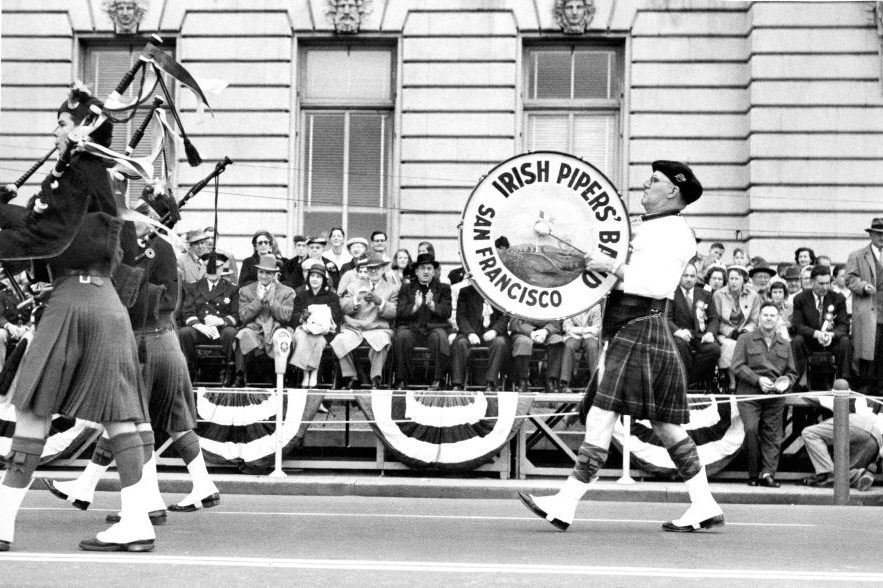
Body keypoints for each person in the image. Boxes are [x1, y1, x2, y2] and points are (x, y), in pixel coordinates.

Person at [518, 160, 724, 533]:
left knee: (602, 413)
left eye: (655, 181)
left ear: (673, 192)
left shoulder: (675, 233)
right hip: (633, 327)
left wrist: (610, 265)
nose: (646, 185)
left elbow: (655, 284)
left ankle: (565, 504)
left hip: (639, 325)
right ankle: (704, 504)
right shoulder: (658, 228)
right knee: (664, 424)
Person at [0, 86, 154, 552]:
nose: (54, 130)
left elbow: (41, 238)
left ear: (84, 128)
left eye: (62, 123)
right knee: (118, 416)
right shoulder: (95, 181)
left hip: (70, 303)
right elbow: (47, 224)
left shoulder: (73, 177)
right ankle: (137, 521)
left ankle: (2, 524)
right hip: (106, 305)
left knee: (32, 410)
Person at [46, 219, 219, 524]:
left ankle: (145, 500)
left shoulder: (142, 250)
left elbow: (131, 297)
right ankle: (89, 487)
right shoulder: (164, 249)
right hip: (167, 339)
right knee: (151, 420)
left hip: (143, 341)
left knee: (131, 420)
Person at [731, 302, 797, 487]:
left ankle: (768, 474)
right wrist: (757, 379)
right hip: (750, 394)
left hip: (775, 396)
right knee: (751, 430)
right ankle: (753, 473)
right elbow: (736, 365)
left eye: (772, 316)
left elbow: (792, 372)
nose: (769, 318)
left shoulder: (785, 344)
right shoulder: (745, 339)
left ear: (778, 320)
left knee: (773, 434)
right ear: (759, 318)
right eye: (765, 315)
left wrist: (784, 383)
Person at [331, 254, 399, 389]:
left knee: (382, 341)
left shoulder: (392, 288)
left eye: (377, 268)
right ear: (366, 270)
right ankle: (351, 376)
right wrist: (356, 299)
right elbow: (343, 307)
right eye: (370, 269)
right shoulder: (354, 285)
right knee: (339, 340)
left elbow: (395, 312)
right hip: (355, 327)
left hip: (378, 328)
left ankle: (375, 378)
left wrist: (380, 302)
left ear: (383, 270)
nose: (373, 272)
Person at [801, 387, 882, 490]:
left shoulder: (847, 397)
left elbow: (817, 398)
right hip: (876, 439)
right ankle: (859, 475)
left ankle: (827, 473)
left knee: (809, 433)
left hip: (855, 423)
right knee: (842, 473)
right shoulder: (878, 407)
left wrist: (800, 393)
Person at [391, 253, 452, 390]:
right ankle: (401, 379)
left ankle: (437, 380)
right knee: (401, 337)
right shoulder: (407, 288)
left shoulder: (443, 288)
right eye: (422, 268)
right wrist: (415, 307)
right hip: (412, 328)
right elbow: (400, 312)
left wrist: (433, 306)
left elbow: (446, 312)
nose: (426, 271)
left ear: (434, 272)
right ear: (416, 271)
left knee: (440, 337)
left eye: (429, 268)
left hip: (433, 328)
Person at [233, 254, 295, 386]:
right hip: (254, 328)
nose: (263, 276)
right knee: (243, 335)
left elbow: (286, 317)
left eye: (268, 273)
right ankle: (240, 376)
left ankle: (280, 379)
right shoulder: (246, 290)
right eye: (261, 272)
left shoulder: (286, 291)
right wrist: (258, 301)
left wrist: (272, 303)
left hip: (276, 328)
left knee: (283, 338)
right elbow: (243, 316)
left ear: (274, 275)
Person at [178, 252, 239, 385]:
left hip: (221, 330)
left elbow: (236, 314)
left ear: (223, 268)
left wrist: (222, 321)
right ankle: (190, 370)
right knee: (184, 333)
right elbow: (187, 311)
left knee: (231, 333)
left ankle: (229, 371)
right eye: (209, 266)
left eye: (217, 267)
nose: (212, 270)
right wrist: (199, 325)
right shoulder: (193, 287)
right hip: (200, 329)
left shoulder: (232, 289)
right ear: (203, 267)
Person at [790, 265, 850, 384]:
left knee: (845, 341)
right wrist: (816, 334)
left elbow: (844, 326)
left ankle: (844, 382)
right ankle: (795, 382)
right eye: (821, 283)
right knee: (797, 341)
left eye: (827, 283)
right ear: (811, 282)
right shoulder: (800, 298)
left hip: (831, 341)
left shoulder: (838, 298)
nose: (825, 287)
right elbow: (797, 325)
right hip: (810, 341)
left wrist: (832, 335)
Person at [667, 262, 720, 390]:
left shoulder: (705, 294)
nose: (689, 279)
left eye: (692, 276)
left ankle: (691, 380)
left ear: (696, 277)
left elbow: (714, 318)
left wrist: (710, 333)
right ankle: (686, 383)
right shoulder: (670, 293)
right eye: (685, 275)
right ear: (679, 276)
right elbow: (666, 318)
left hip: (700, 335)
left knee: (714, 349)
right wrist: (677, 331)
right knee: (680, 346)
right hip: (681, 335)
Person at [846, 218, 883, 396]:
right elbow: (849, 279)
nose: (882, 237)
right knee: (867, 363)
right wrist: (862, 286)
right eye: (878, 234)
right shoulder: (858, 255)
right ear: (871, 234)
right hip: (869, 317)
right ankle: (866, 406)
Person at [449, 283, 510, 391]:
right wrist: (470, 333)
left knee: (500, 342)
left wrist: (495, 330)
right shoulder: (466, 292)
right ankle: (457, 384)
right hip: (471, 333)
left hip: (492, 334)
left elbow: (505, 315)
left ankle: (491, 383)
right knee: (460, 343)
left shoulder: (500, 291)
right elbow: (461, 316)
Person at [290, 262, 342, 387]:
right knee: (304, 337)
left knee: (318, 339)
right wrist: (305, 316)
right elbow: (294, 316)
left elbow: (336, 315)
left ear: (324, 279)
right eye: (312, 276)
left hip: (324, 331)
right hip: (304, 329)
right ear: (308, 278)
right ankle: (307, 373)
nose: (315, 279)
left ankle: (310, 374)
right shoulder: (301, 296)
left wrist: (321, 317)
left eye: (318, 277)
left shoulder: (331, 296)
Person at [714, 265, 760, 392]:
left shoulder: (754, 296)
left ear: (744, 280)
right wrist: (731, 332)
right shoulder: (719, 294)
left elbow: (754, 320)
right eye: (731, 278)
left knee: (747, 343)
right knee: (730, 345)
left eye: (737, 279)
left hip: (747, 332)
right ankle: (733, 381)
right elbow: (716, 319)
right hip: (725, 333)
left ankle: (746, 380)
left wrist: (745, 331)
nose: (733, 282)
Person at [558, 306, 602, 393]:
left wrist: (582, 332)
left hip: (590, 337)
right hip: (573, 336)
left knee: (592, 346)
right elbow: (567, 327)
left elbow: (597, 329)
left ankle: (596, 383)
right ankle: (564, 383)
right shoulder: (571, 304)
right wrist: (585, 330)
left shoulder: (596, 307)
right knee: (569, 346)